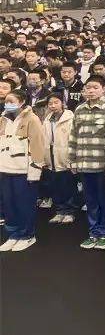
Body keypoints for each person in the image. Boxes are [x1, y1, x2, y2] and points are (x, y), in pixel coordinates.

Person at [70, 75, 105, 250]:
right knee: (90, 202)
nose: (90, 91)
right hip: (84, 165)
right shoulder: (79, 110)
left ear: (103, 89)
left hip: (101, 166)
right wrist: (73, 160)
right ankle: (94, 233)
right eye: (87, 88)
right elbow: (73, 136)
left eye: (94, 87)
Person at [0, 90, 46, 251]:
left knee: (24, 204)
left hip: (24, 171)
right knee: (9, 204)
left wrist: (35, 170)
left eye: (11, 101)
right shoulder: (3, 119)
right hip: (5, 169)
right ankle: (13, 234)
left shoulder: (32, 119)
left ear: (21, 102)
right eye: (6, 101)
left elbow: (38, 146)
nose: (8, 104)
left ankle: (27, 235)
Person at [40, 93, 78, 224]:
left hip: (65, 157)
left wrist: (73, 159)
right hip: (50, 157)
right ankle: (60, 211)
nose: (53, 105)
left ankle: (70, 212)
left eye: (56, 102)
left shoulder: (70, 118)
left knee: (67, 186)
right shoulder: (47, 119)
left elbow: (74, 140)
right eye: (50, 103)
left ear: (63, 103)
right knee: (55, 187)